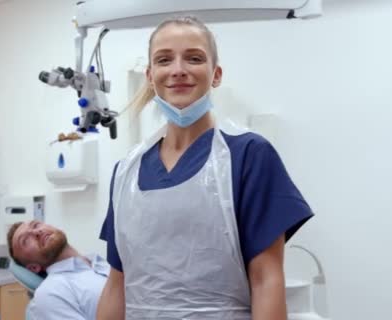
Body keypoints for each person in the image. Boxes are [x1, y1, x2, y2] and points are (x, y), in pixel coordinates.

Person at [97, 16, 314, 320]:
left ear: (216, 74)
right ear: (150, 75)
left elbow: (267, 280)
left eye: (194, 58)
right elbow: (116, 285)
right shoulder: (126, 172)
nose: (178, 70)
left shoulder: (248, 155)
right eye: (164, 60)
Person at [7, 220, 108, 320]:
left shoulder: (101, 262)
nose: (36, 232)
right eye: (25, 240)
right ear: (34, 268)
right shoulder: (50, 293)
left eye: (36, 225)